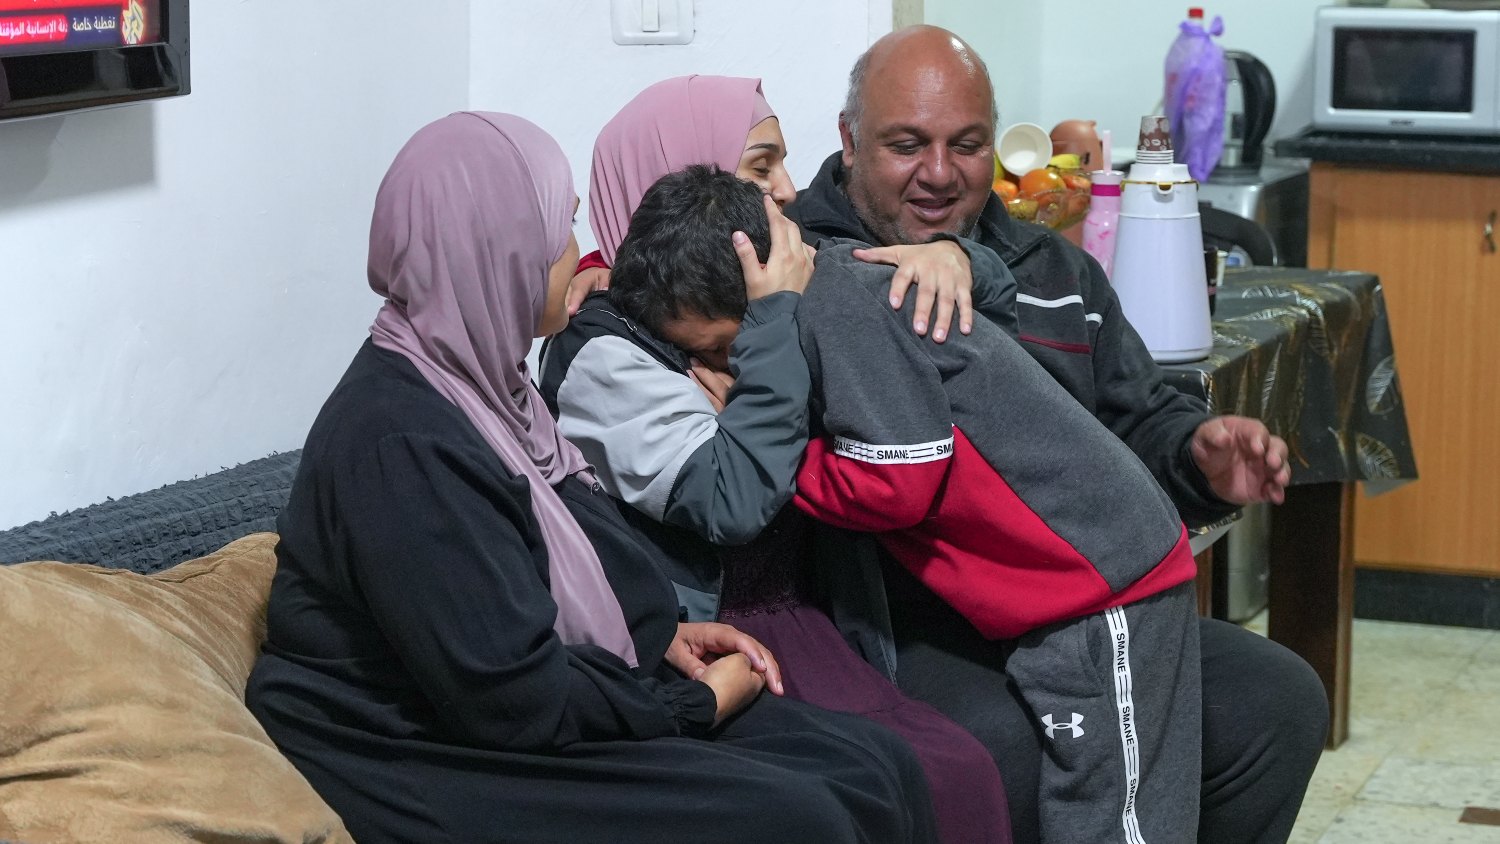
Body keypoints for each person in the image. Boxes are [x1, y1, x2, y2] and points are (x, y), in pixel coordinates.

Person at [243, 110, 940, 844]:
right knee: (801, 819)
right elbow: (510, 701)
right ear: (499, 252)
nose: (576, 254)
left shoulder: (485, 389)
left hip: (528, 703)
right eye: (558, 232)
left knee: (878, 764)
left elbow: (567, 552)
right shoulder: (401, 443)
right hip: (408, 748)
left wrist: (659, 633)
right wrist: (691, 708)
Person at [782, 25, 1328, 844]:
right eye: (907, 145)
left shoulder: (1052, 270)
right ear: (849, 138)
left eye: (966, 145)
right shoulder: (801, 273)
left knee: (1275, 700)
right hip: (899, 622)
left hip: (1071, 607)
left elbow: (1135, 415)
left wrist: (1199, 452)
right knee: (1010, 751)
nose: (938, 173)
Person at [540, 76, 1011, 844]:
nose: (789, 190)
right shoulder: (609, 341)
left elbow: (972, 271)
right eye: (762, 168)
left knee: (957, 761)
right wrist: (771, 325)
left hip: (827, 608)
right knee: (911, 772)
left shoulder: (777, 271)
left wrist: (958, 257)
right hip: (715, 633)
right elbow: (732, 499)